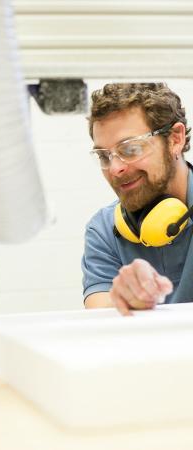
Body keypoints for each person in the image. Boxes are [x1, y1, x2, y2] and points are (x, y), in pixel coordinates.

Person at [82, 82, 193, 316]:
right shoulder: (103, 228)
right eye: (104, 156)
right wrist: (121, 298)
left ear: (175, 139)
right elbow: (99, 313)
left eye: (130, 149)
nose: (114, 169)